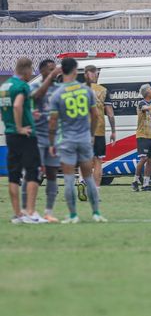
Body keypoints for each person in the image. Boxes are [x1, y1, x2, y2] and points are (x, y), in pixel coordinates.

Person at [48, 57, 106, 223]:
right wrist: (92, 134)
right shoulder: (86, 90)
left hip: (67, 140)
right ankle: (96, 213)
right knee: (88, 177)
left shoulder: (57, 93)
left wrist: (52, 143)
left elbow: (53, 121)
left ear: (62, 71)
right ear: (75, 71)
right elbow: (95, 115)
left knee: (68, 179)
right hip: (84, 139)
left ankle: (73, 215)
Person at [1, 58, 45, 224]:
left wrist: (26, 116)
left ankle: (18, 214)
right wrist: (20, 127)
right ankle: (31, 213)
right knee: (33, 172)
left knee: (13, 175)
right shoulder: (22, 86)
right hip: (25, 135)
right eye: (31, 70)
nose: (32, 73)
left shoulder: (5, 86)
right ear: (25, 69)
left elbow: (9, 109)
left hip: (10, 135)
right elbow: (17, 106)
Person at [27, 59, 63, 221]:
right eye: (50, 70)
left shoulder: (58, 89)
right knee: (33, 174)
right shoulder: (33, 87)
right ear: (42, 71)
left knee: (52, 173)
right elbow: (35, 97)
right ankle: (26, 211)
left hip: (53, 138)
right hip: (36, 137)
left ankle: (48, 212)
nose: (54, 72)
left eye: (54, 69)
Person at [84, 65, 115, 190]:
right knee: (98, 161)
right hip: (99, 129)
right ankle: (96, 189)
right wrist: (113, 131)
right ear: (95, 75)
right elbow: (110, 114)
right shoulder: (103, 90)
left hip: (83, 130)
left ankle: (82, 181)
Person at [132, 84, 151, 192]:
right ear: (147, 93)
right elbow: (143, 108)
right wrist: (149, 107)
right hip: (142, 135)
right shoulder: (142, 103)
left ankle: (146, 184)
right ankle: (135, 181)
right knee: (143, 158)